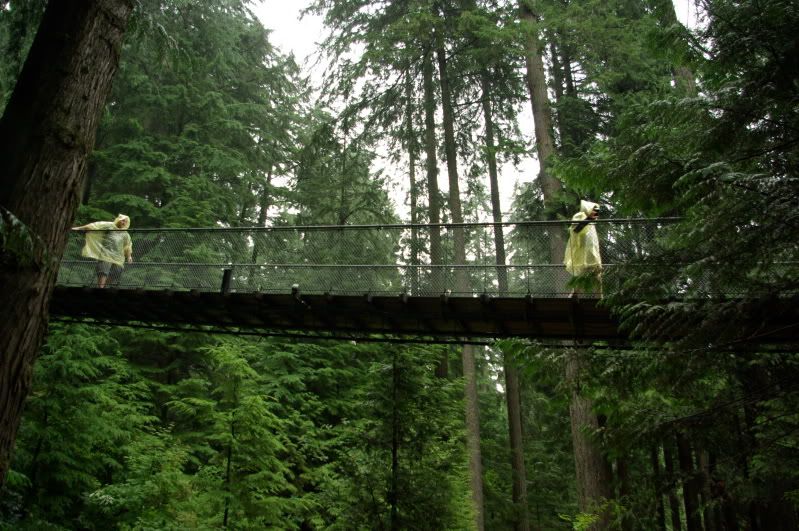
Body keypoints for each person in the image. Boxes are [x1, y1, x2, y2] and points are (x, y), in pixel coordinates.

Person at [72, 214, 133, 288]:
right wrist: (78, 228)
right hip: (105, 254)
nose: (123, 223)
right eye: (123, 220)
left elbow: (128, 246)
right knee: (103, 271)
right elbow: (94, 226)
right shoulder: (110, 226)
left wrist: (129, 256)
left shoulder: (125, 234)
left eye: (125, 222)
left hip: (117, 257)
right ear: (119, 219)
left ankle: (103, 287)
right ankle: (100, 288)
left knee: (117, 272)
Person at [564, 200, 602, 296]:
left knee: (597, 274)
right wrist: (588, 219)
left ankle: (600, 296)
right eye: (594, 211)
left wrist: (590, 219)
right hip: (582, 252)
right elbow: (576, 229)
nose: (596, 214)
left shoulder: (592, 223)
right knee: (580, 275)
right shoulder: (580, 216)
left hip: (591, 253)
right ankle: (574, 296)